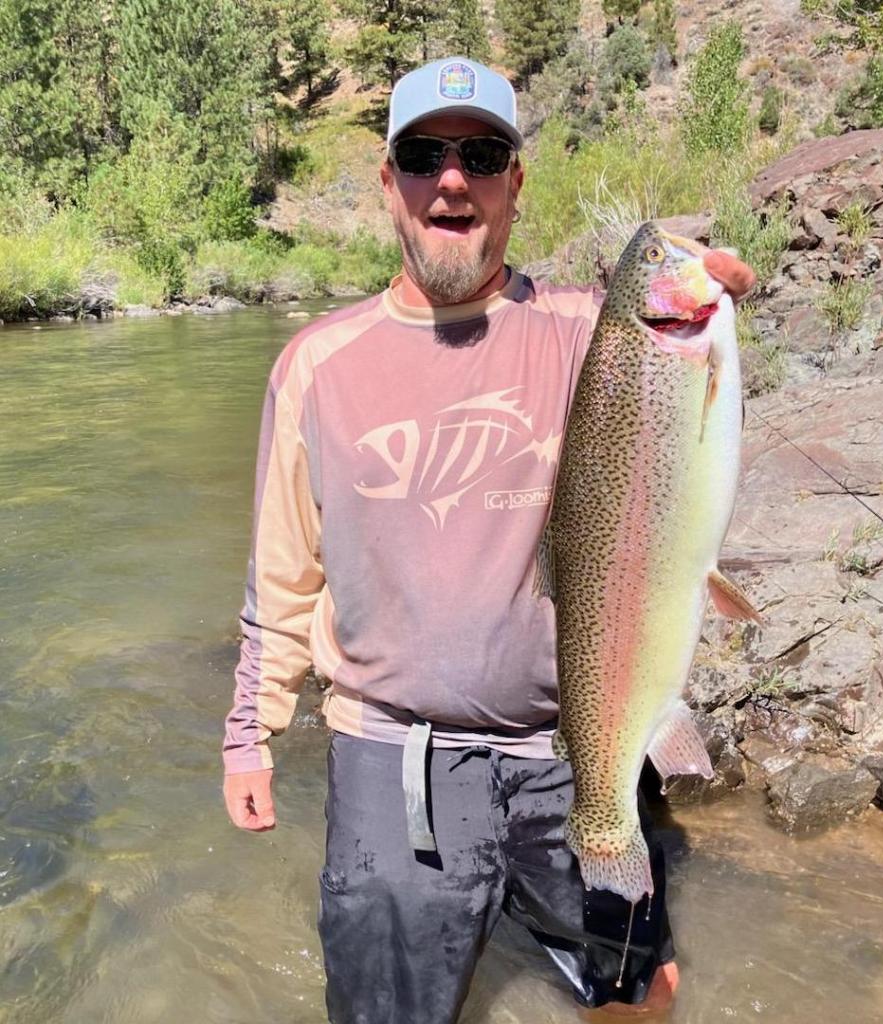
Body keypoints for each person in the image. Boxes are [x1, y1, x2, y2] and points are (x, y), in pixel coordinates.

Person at [222, 56, 756, 1023]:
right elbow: (282, 574)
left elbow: (669, 481)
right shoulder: (318, 365)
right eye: (424, 154)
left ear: (516, 180)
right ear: (389, 182)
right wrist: (250, 735)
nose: (452, 177)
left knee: (639, 993)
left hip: (573, 749)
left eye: (483, 152)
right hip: (392, 758)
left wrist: (713, 320)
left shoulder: (602, 336)